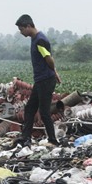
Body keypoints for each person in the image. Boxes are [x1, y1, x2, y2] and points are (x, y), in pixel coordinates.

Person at [14, 14, 62, 146]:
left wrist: (53, 72)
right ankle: (26, 138)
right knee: (30, 109)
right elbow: (47, 57)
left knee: (44, 112)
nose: (21, 32)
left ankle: (52, 139)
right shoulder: (34, 38)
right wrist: (55, 72)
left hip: (45, 80)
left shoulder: (40, 40)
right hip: (41, 80)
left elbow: (49, 58)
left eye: (22, 29)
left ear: (29, 26)